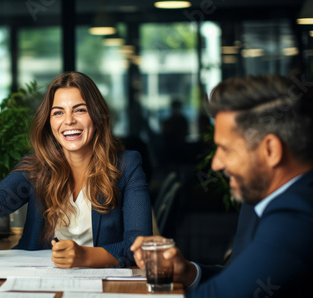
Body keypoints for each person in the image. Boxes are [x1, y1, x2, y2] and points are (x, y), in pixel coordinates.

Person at [0, 71, 152, 268]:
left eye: (80, 110)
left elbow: (139, 243)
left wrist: (86, 256)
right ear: (49, 122)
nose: (69, 121)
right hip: (40, 280)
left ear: (97, 115)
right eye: (58, 112)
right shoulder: (37, 167)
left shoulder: (126, 165)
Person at [131, 74, 313, 297]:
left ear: (271, 150)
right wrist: (188, 273)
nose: (216, 164)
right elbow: (237, 281)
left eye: (226, 149)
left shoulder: (297, 214)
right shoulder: (263, 202)